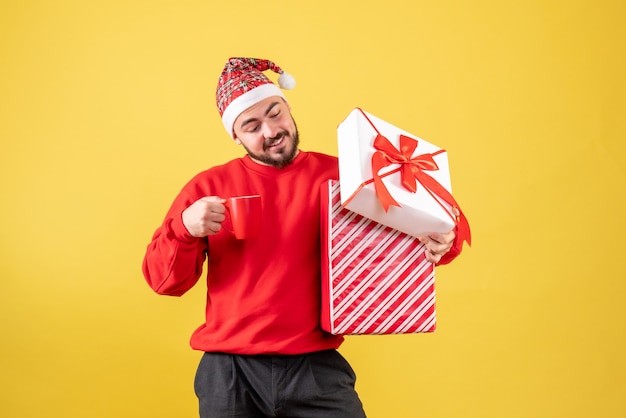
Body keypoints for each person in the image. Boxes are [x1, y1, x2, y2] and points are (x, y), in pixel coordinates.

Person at [142, 57, 460, 418]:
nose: (270, 131)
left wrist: (439, 243)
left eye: (274, 113)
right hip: (230, 371)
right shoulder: (207, 188)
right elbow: (163, 281)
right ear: (235, 135)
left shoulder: (343, 177)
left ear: (288, 107)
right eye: (251, 126)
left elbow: (411, 234)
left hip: (316, 367)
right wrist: (184, 228)